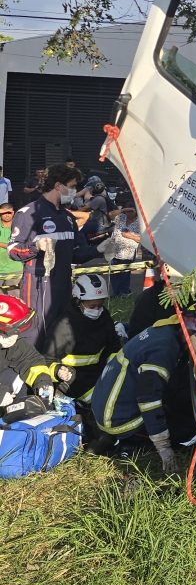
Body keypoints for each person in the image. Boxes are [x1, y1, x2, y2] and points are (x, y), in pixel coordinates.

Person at [90, 313, 196, 471]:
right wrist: (163, 446)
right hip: (119, 417)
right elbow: (148, 398)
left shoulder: (163, 331)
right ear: (188, 333)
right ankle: (129, 443)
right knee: (192, 434)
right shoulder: (164, 349)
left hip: (111, 404)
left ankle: (118, 436)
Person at [8, 163, 103, 350]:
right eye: (73, 186)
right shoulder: (28, 214)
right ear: (58, 185)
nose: (75, 191)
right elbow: (12, 250)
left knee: (60, 334)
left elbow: (74, 254)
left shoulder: (68, 218)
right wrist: (35, 246)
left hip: (63, 283)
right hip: (37, 283)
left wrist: (98, 250)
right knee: (34, 334)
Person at [41, 273, 122, 405]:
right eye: (92, 306)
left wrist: (115, 367)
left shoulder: (104, 317)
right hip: (73, 380)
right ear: (78, 300)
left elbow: (113, 346)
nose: (97, 310)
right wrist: (59, 371)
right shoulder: (64, 326)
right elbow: (47, 360)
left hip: (99, 373)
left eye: (100, 306)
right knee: (108, 401)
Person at [0, 294, 70, 422]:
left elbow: (31, 361)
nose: (15, 337)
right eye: (11, 332)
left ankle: (20, 424)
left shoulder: (13, 343)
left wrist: (43, 382)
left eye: (17, 332)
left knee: (21, 380)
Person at [105, 208, 142, 296]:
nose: (130, 213)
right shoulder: (121, 217)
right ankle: (116, 293)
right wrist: (123, 210)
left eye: (132, 211)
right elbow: (110, 214)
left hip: (128, 252)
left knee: (125, 274)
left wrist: (130, 236)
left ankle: (124, 292)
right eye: (128, 211)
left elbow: (142, 239)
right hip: (114, 250)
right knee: (114, 273)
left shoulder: (140, 223)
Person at [0, 203, 23, 290]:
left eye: (9, 213)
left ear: (13, 213)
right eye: (3, 213)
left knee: (14, 299)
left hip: (15, 270)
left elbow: (18, 247)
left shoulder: (20, 226)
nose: (6, 215)